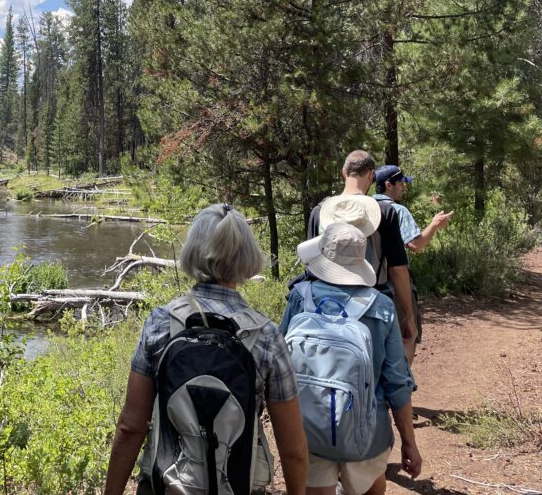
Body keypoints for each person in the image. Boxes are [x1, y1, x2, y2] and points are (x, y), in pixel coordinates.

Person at [104, 203, 308, 495]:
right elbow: (294, 449)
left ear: (193, 252)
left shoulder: (161, 323)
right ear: (247, 257)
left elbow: (131, 426)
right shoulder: (266, 336)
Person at [282, 223, 422, 495]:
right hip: (368, 435)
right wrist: (409, 442)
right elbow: (397, 381)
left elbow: (280, 365)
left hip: (309, 428)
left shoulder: (300, 298)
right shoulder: (380, 306)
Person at [307, 150, 417, 360]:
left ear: (343, 173)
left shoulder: (319, 211)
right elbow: (398, 269)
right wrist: (408, 316)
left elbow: (311, 266)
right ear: (371, 175)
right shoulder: (384, 212)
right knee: (390, 372)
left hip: (324, 306)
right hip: (373, 303)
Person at [373, 165, 453, 364]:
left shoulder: (362, 207)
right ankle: (402, 387)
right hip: (393, 284)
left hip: (362, 284)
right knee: (407, 335)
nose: (404, 188)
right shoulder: (397, 210)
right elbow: (416, 245)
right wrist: (434, 225)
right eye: (401, 183)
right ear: (388, 185)